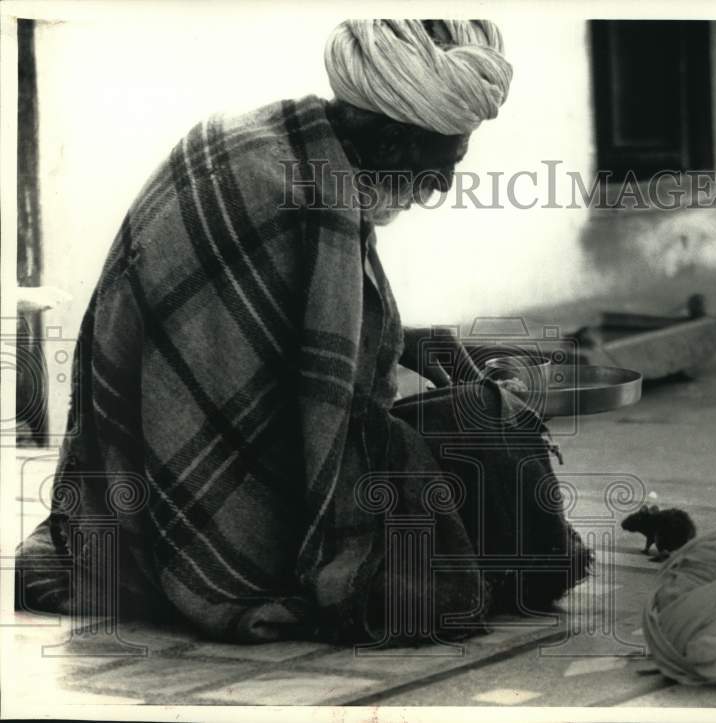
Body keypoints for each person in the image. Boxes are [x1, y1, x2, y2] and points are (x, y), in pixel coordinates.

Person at [15, 19, 590, 644]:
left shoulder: (280, 143)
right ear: (396, 144)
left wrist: (408, 341)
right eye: (444, 163)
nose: (444, 186)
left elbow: (292, 340)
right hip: (195, 496)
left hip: (127, 481)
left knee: (463, 455)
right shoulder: (308, 197)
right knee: (470, 458)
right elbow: (320, 396)